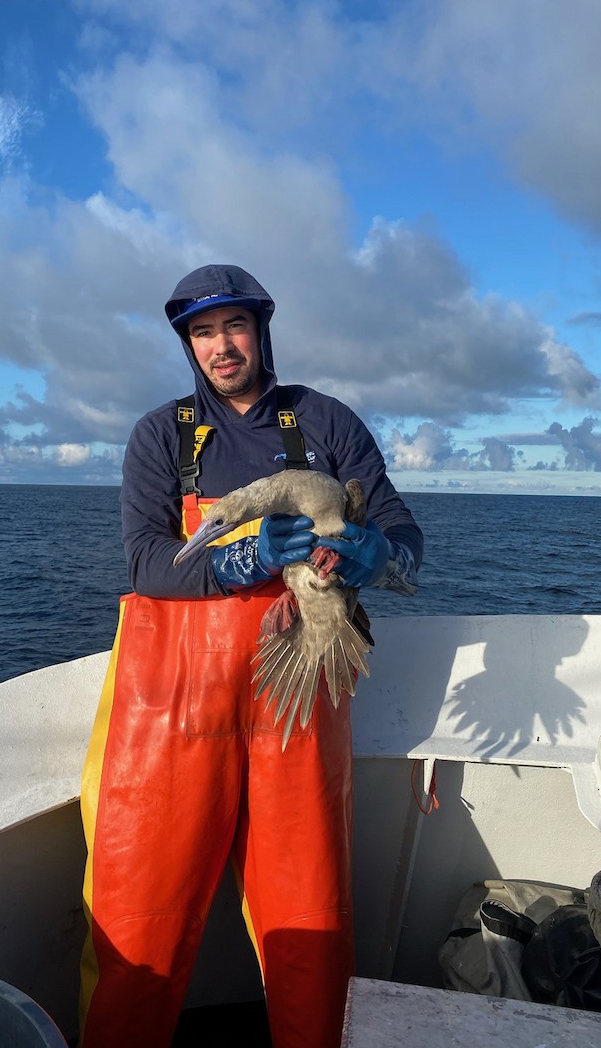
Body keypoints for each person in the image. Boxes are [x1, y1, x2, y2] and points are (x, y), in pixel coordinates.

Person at [79, 264, 423, 1048]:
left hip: (300, 693)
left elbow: (405, 535)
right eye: (201, 333)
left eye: (233, 326)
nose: (220, 346)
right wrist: (233, 560)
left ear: (261, 331)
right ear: (188, 346)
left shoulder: (326, 422)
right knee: (140, 913)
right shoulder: (162, 434)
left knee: (310, 916)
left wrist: (379, 555)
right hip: (175, 704)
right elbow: (145, 561)